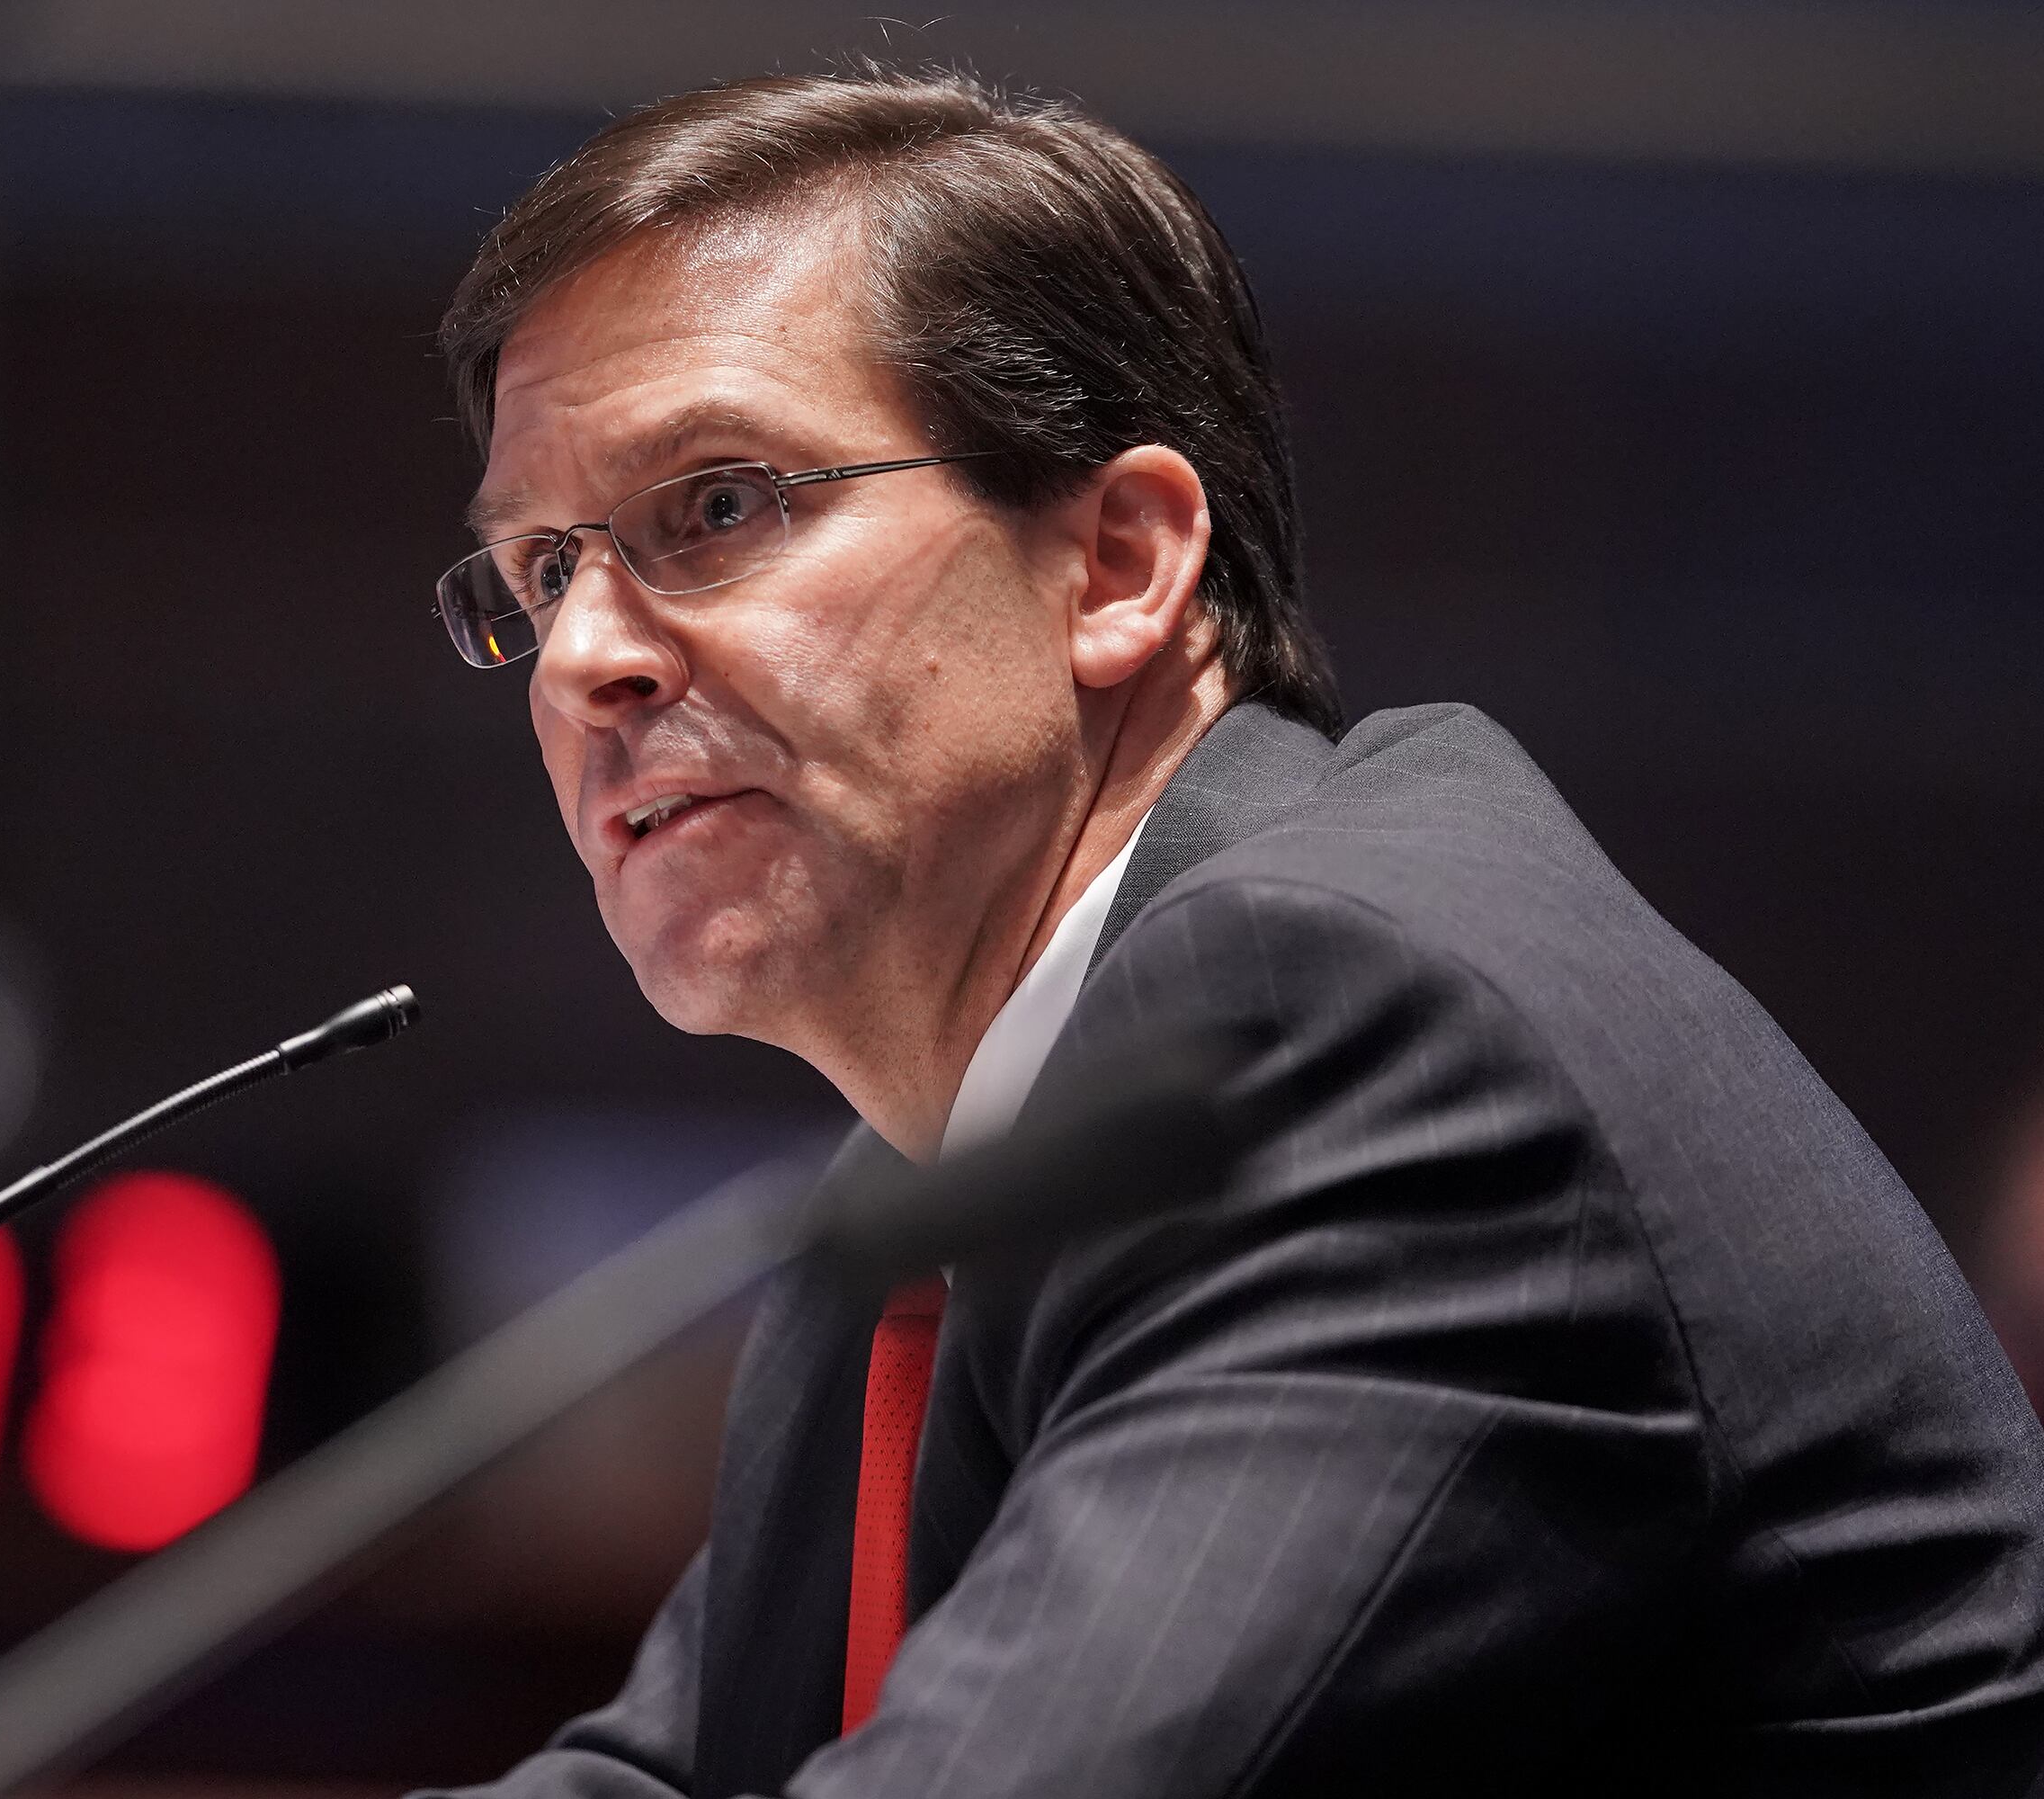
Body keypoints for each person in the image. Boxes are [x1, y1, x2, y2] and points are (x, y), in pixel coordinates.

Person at [414, 66, 2044, 1797]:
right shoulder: (935, 1183)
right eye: (540, 573)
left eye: (719, 505)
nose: (584, 660)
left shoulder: (1354, 1029)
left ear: (1119, 564)